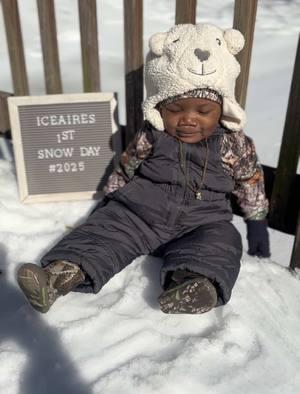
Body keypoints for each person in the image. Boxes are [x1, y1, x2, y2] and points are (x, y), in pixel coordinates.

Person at [17, 23, 270, 315]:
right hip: (140, 214)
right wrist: (108, 205)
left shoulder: (233, 143)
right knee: (103, 232)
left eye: (203, 111)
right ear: (159, 108)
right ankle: (58, 276)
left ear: (222, 110)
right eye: (176, 109)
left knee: (221, 242)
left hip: (202, 221)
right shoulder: (151, 135)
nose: (189, 119)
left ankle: (194, 285)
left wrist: (257, 226)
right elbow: (127, 168)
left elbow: (251, 182)